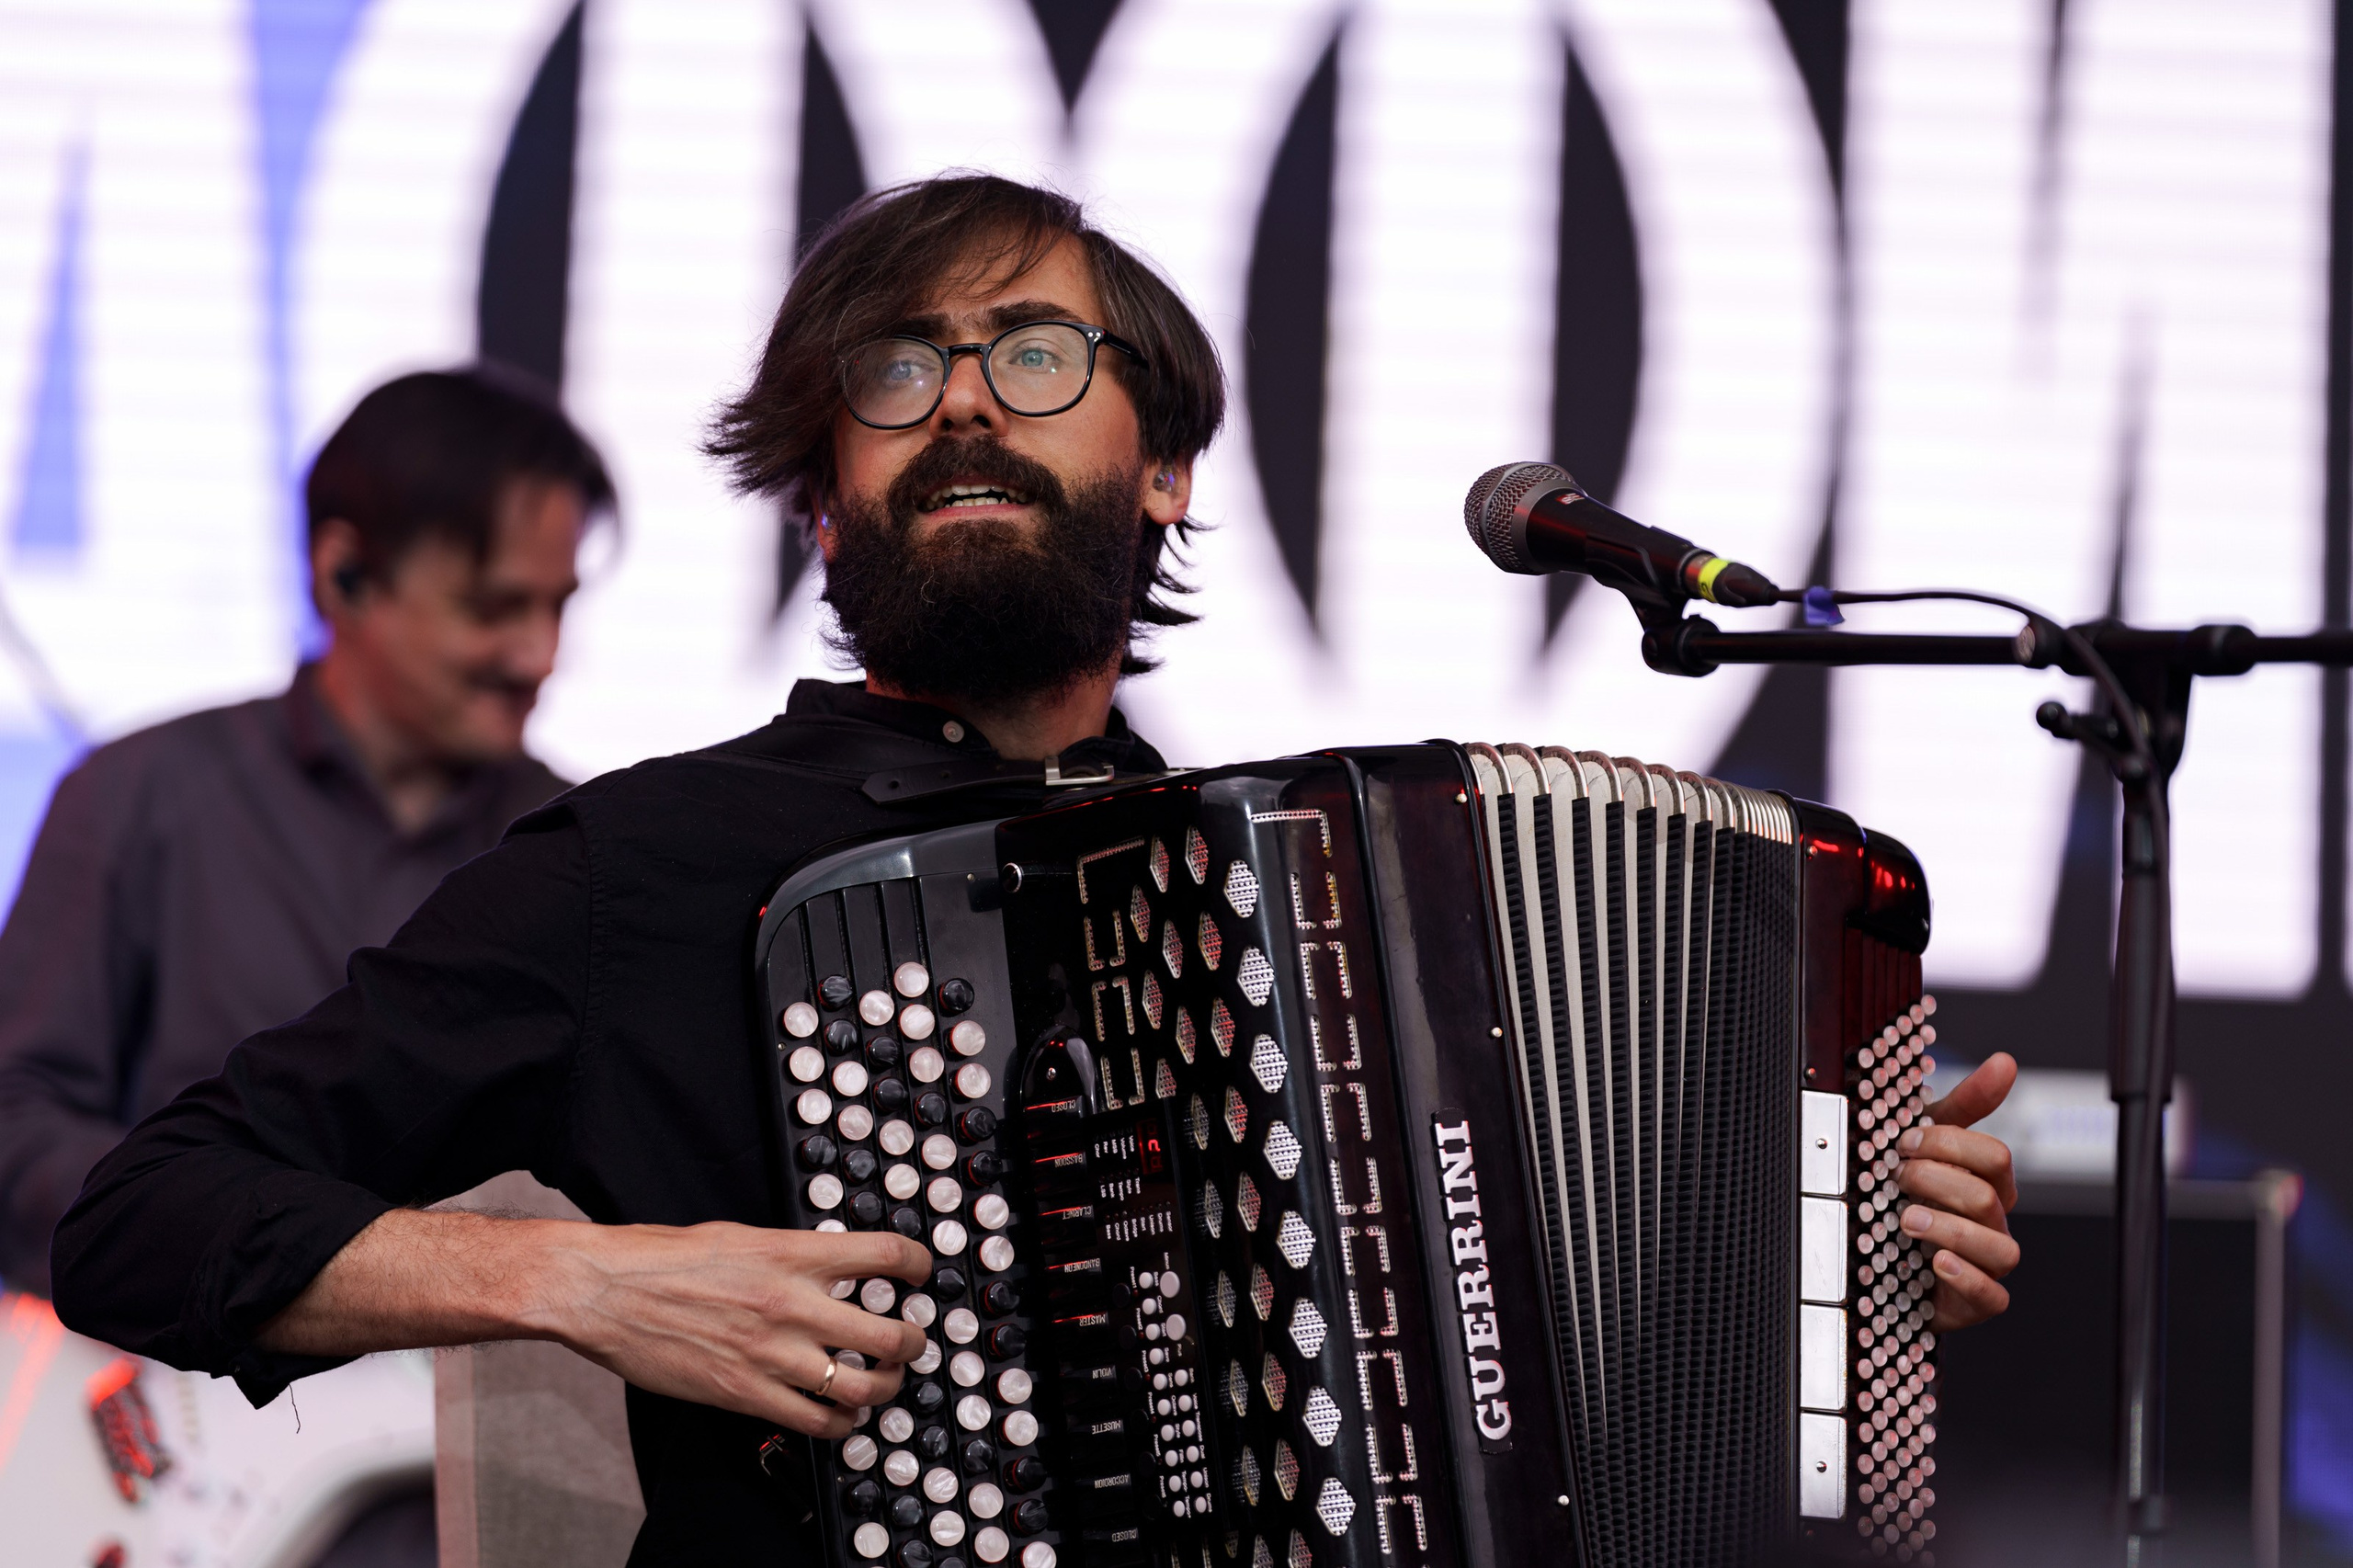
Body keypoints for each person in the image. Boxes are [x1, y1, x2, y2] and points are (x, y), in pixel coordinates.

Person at [49, 177, 2022, 1562]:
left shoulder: (1328, 898)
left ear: (1162, 467)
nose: (969, 397)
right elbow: (141, 1218)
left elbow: (1567, 1398)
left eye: (1036, 352)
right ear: (822, 502)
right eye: (896, 372)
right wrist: (585, 1283)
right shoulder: (636, 864)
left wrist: (1843, 1268)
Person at [0, 366, 610, 1297]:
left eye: (558, 604)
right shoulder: (137, 795)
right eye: (494, 607)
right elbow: (17, 1117)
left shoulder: (581, 849)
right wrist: (229, 1241)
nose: (541, 654)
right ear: (343, 575)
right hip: (181, 1356)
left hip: (482, 1373)